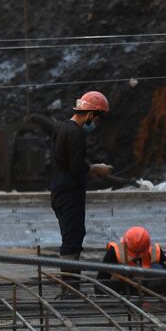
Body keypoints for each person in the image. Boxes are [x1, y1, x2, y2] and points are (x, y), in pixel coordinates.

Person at [49, 91, 113, 274]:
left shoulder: (62, 128)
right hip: (69, 194)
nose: (96, 125)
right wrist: (96, 169)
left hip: (59, 190)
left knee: (73, 235)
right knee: (72, 239)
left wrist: (90, 169)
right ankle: (70, 286)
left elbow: (67, 162)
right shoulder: (75, 133)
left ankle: (70, 283)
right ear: (91, 115)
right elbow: (77, 165)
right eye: (98, 120)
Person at [100, 225, 166, 295]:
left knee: (158, 269)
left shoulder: (155, 251)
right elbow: (102, 280)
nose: (136, 256)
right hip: (124, 291)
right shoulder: (115, 252)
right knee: (114, 276)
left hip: (149, 291)